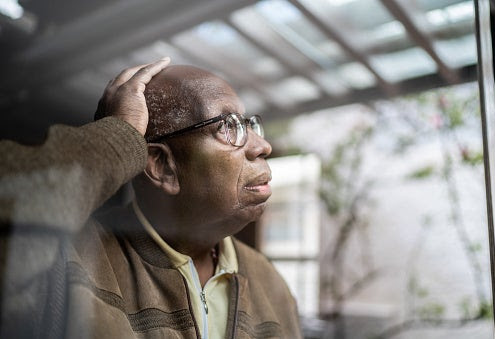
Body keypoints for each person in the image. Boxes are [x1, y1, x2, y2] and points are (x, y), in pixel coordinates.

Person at [0, 58, 301, 338]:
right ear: (162, 167)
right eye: (228, 126)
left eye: (249, 125)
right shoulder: (68, 260)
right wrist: (117, 137)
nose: (262, 146)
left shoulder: (271, 285)